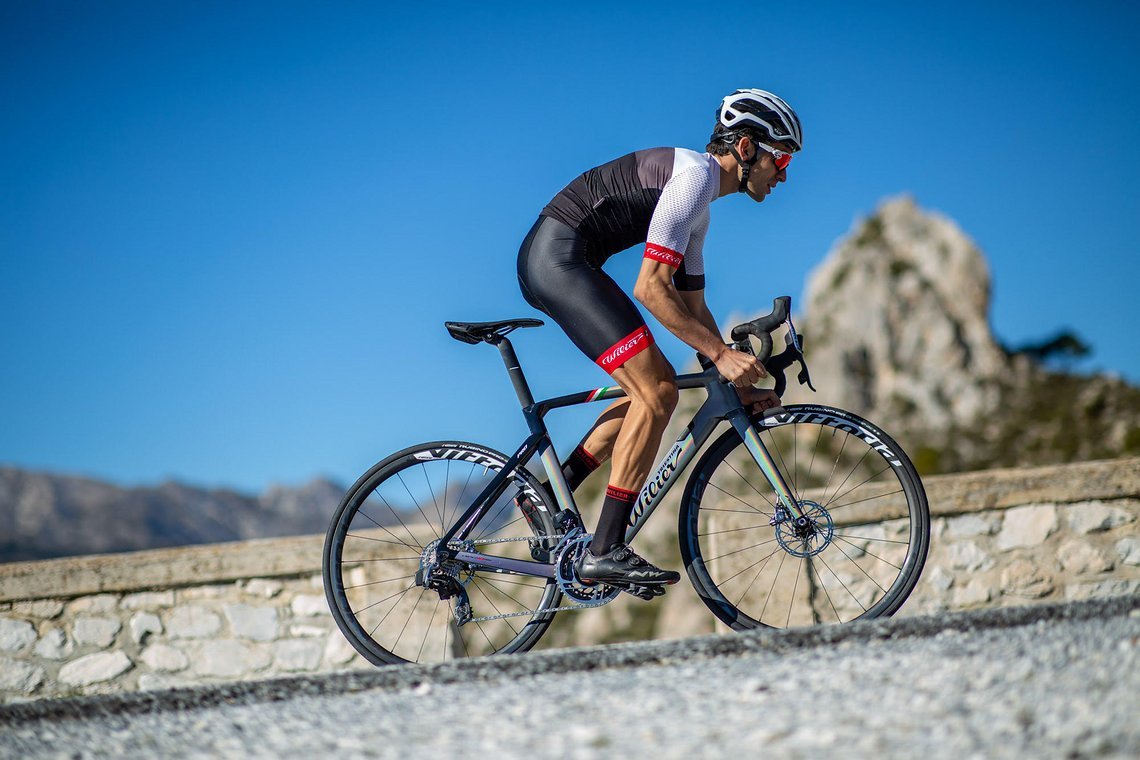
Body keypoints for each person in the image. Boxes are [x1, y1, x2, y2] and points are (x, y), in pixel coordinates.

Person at [516, 89, 803, 593]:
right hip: (557, 261)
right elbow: (650, 287)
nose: (785, 174)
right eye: (780, 158)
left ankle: (543, 492)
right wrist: (719, 354)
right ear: (745, 146)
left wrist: (729, 380)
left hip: (565, 260)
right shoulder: (692, 179)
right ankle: (605, 549)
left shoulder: (701, 206)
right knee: (659, 392)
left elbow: (693, 307)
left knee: (646, 392)